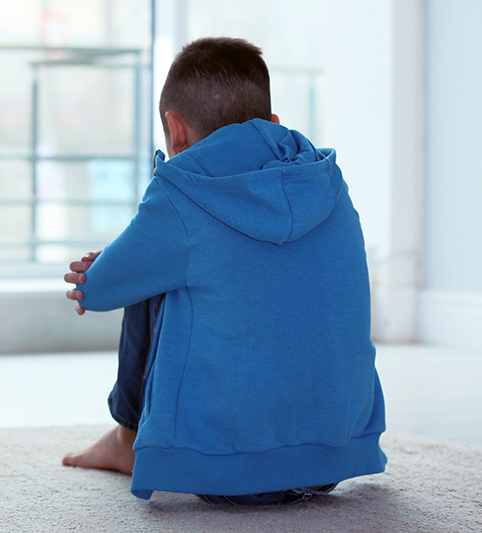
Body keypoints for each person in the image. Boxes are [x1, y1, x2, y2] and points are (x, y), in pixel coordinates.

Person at [61, 37, 386, 504]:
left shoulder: (183, 191)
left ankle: (125, 440)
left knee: (155, 280)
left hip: (228, 467)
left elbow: (97, 291)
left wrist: (109, 268)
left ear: (176, 132)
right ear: (272, 124)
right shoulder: (327, 182)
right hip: (334, 456)